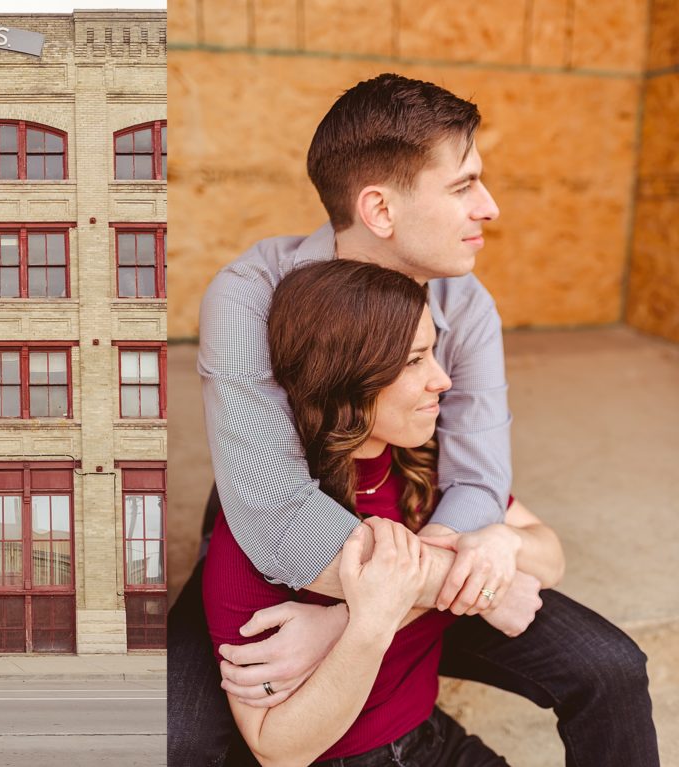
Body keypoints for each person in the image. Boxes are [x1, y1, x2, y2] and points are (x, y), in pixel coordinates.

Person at [169, 73, 658, 766]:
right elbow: (277, 515)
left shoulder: (468, 305)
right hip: (283, 550)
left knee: (607, 665)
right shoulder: (249, 296)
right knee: (178, 736)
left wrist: (352, 620)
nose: (488, 207)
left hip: (412, 533)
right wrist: (440, 593)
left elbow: (478, 483)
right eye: (463, 186)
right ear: (379, 209)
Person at [205, 258, 565, 766]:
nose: (442, 380)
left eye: (433, 352)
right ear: (346, 376)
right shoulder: (273, 527)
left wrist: (502, 544)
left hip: (430, 740)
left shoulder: (426, 468)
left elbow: (549, 556)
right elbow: (275, 749)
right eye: (415, 360)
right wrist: (369, 623)